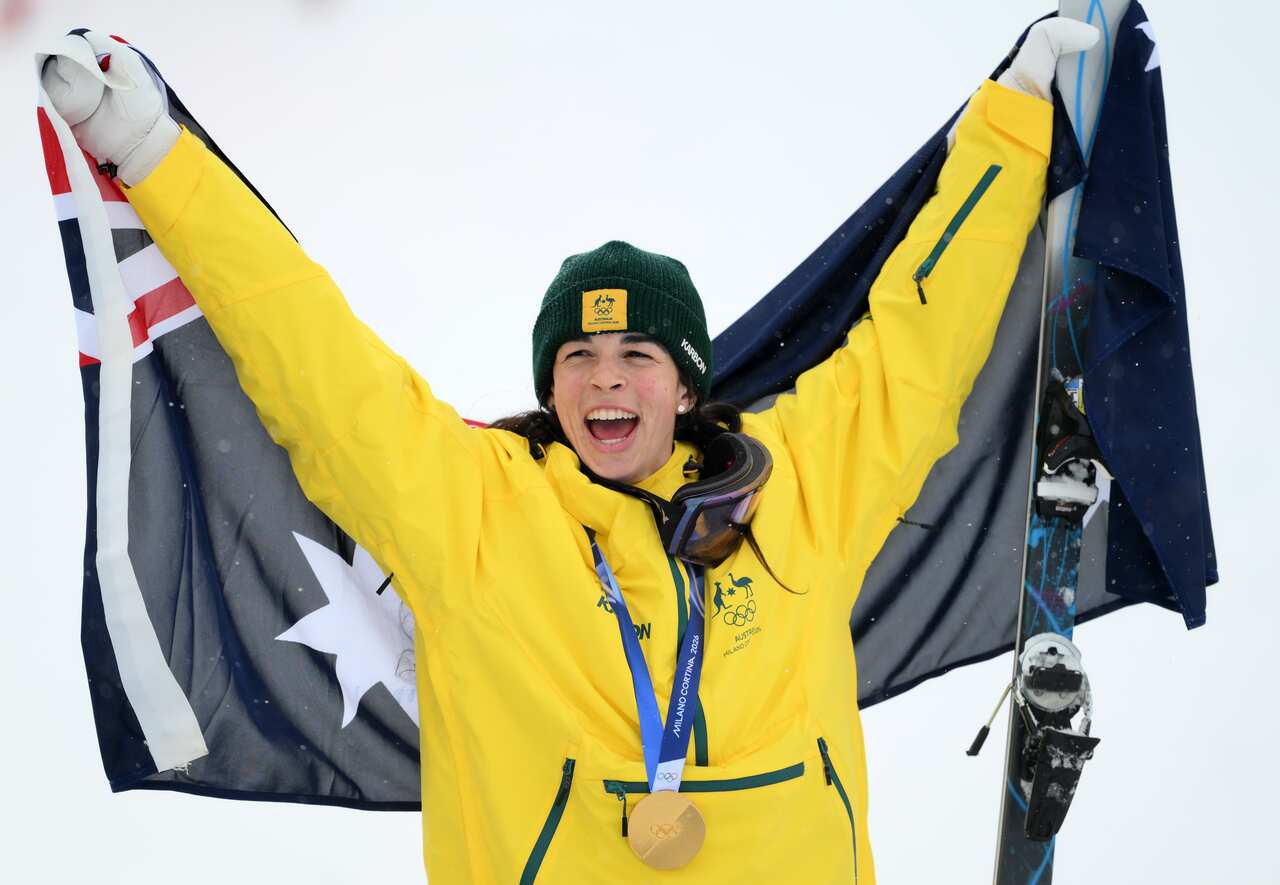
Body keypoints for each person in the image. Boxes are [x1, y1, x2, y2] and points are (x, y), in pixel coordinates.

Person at [41, 18, 1097, 884]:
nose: (604, 380)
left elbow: (916, 343)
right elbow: (312, 357)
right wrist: (156, 160)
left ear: (685, 386)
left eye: (636, 353)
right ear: (546, 388)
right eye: (578, 356)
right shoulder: (472, 513)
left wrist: (1007, 130)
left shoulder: (803, 483)